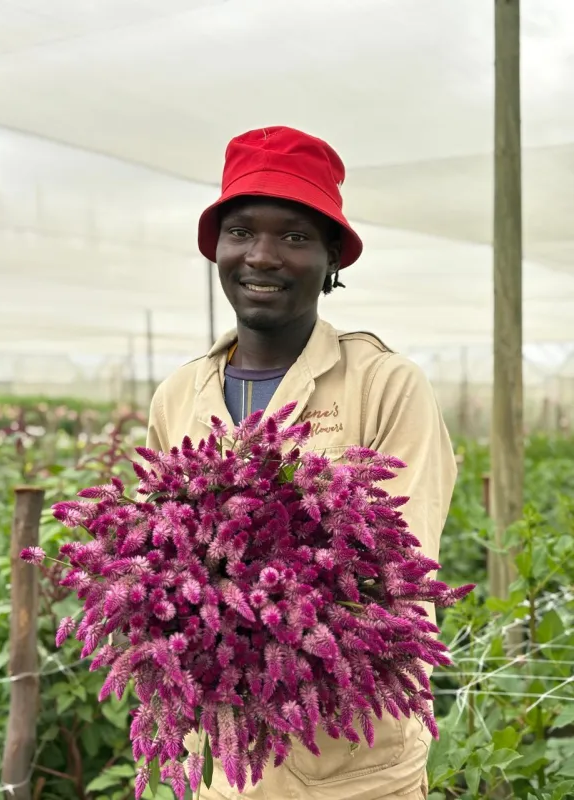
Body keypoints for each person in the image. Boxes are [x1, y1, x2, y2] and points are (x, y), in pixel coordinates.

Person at [146, 126, 457, 800]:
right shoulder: (178, 395)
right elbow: (161, 570)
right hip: (220, 765)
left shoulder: (384, 384)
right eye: (240, 231)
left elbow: (400, 581)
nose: (262, 255)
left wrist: (240, 590)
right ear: (218, 249)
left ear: (331, 258)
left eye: (294, 236)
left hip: (351, 768)